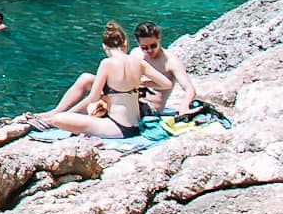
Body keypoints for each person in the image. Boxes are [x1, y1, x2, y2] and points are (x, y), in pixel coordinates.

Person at [35, 24, 170, 139]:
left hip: (118, 127)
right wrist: (141, 83)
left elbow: (93, 98)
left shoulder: (106, 63)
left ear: (104, 46)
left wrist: (104, 95)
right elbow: (166, 84)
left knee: (58, 120)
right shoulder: (139, 62)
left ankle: (53, 116)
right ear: (125, 43)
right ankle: (58, 113)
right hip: (135, 125)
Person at [135, 21, 196, 114]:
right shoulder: (135, 54)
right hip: (133, 104)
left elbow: (189, 89)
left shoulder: (171, 61)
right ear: (138, 43)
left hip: (150, 110)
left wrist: (184, 106)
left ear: (159, 39)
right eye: (144, 47)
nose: (150, 50)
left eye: (153, 46)